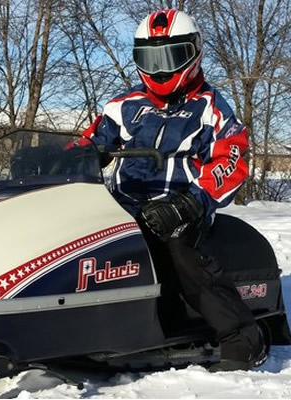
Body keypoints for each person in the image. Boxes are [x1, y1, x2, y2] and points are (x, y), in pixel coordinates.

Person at [81, 9, 265, 371]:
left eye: (171, 57)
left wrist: (192, 203)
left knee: (181, 247)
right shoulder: (123, 105)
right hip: (125, 203)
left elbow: (231, 160)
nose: (160, 69)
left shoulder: (211, 108)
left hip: (182, 205)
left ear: (194, 54)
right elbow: (91, 141)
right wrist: (59, 159)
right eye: (150, 58)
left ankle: (242, 336)